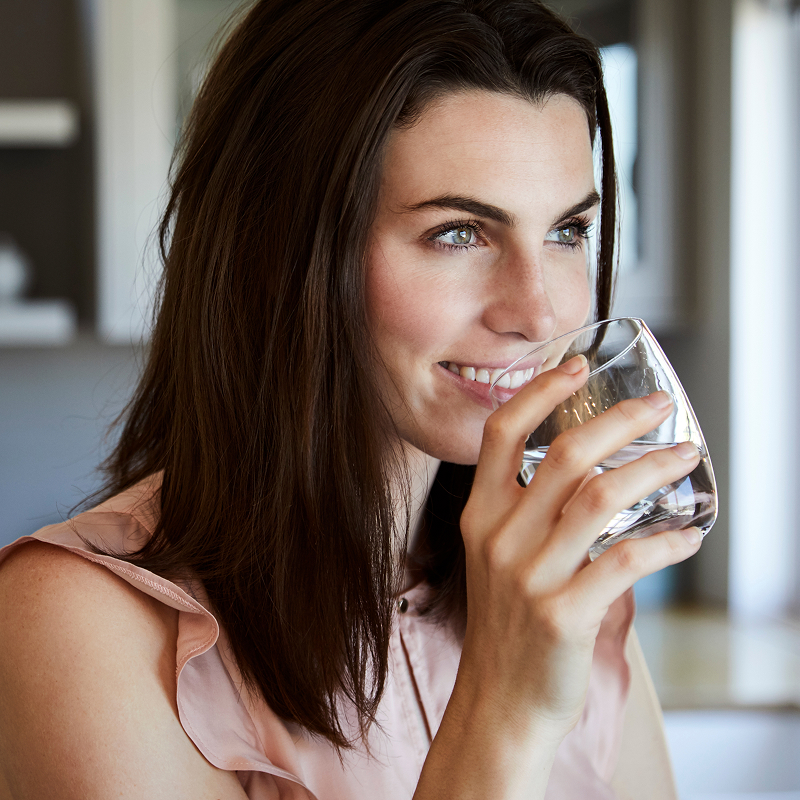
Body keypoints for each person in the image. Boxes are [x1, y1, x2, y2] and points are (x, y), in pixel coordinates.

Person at [0, 1, 702, 798]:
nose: (539, 313)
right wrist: (505, 709)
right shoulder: (75, 623)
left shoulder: (564, 586)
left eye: (567, 232)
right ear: (281, 251)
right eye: (459, 233)